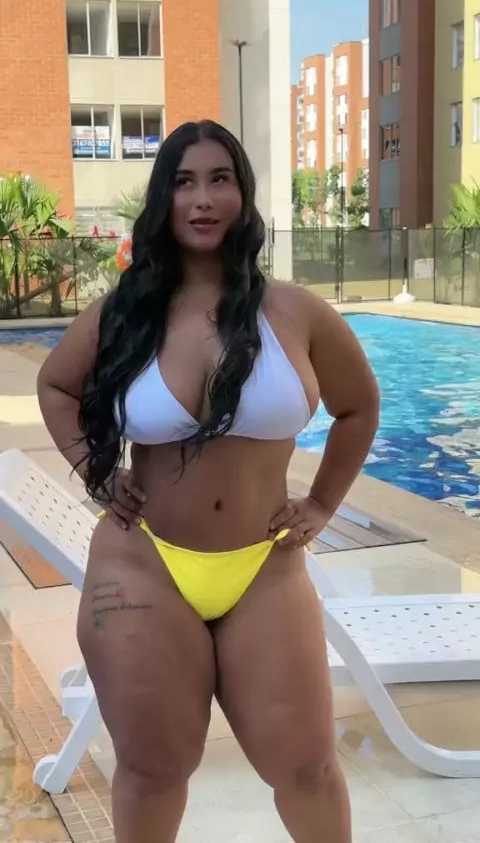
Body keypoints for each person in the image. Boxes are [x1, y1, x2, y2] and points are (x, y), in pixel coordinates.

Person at [37, 119, 379, 843]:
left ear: (243, 196)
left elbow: (359, 407)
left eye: (219, 179)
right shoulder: (127, 314)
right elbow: (56, 385)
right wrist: (95, 472)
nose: (202, 199)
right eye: (184, 182)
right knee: (154, 769)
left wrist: (322, 501)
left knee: (307, 766)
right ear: (163, 199)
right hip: (146, 563)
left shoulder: (295, 312)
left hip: (264, 569)